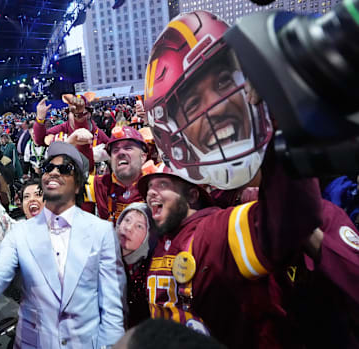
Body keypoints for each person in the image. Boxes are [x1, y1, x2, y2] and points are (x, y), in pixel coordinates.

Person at [136, 11, 324, 348]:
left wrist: (282, 118)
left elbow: (288, 220)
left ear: (193, 194)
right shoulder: (161, 242)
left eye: (224, 82)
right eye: (192, 102)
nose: (152, 192)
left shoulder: (212, 230)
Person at [0, 142, 126, 348]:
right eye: (48, 168)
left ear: (78, 185)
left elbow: (111, 306)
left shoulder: (100, 232)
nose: (53, 173)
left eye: (64, 169)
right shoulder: (21, 233)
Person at [86, 126, 148, 222]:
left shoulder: (156, 184)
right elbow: (64, 184)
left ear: (143, 157)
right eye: (115, 150)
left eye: (128, 148)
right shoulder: (99, 184)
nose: (121, 152)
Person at [33, 95, 110, 168]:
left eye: (81, 112)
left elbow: (112, 150)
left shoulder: (97, 133)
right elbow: (40, 140)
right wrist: (40, 119)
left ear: (89, 114)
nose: (76, 116)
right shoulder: (62, 128)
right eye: (73, 112)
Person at [115, 202, 155, 328]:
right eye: (127, 220)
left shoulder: (152, 271)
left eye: (139, 226)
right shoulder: (102, 258)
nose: (128, 228)